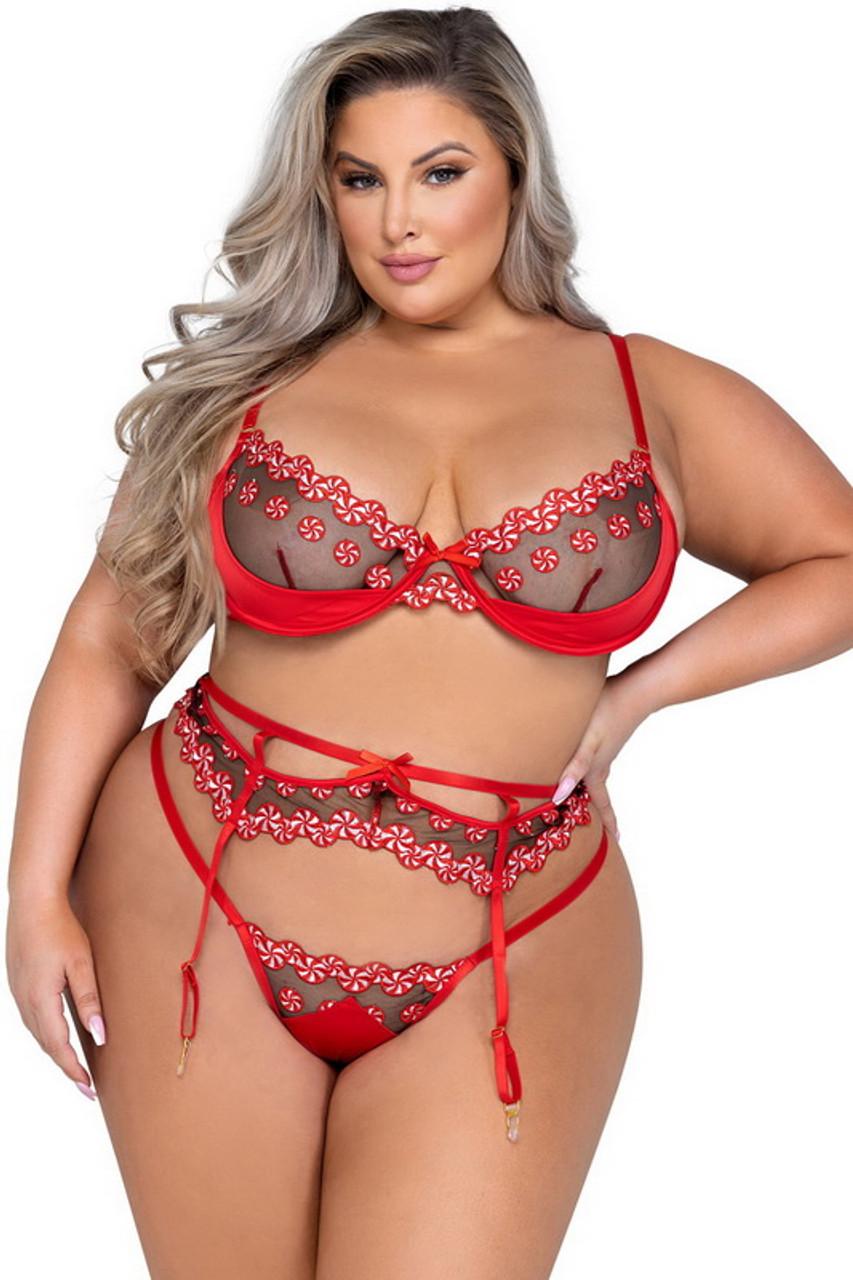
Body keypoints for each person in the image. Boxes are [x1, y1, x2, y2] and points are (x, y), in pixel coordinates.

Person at [6, 7, 853, 1278]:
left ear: (515, 170)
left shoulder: (649, 390)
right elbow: (107, 642)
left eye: (439, 172)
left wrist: (636, 695)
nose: (398, 221)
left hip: (514, 937)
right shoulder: (254, 384)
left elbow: (837, 559)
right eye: (360, 179)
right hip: (195, 896)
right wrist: (31, 897)